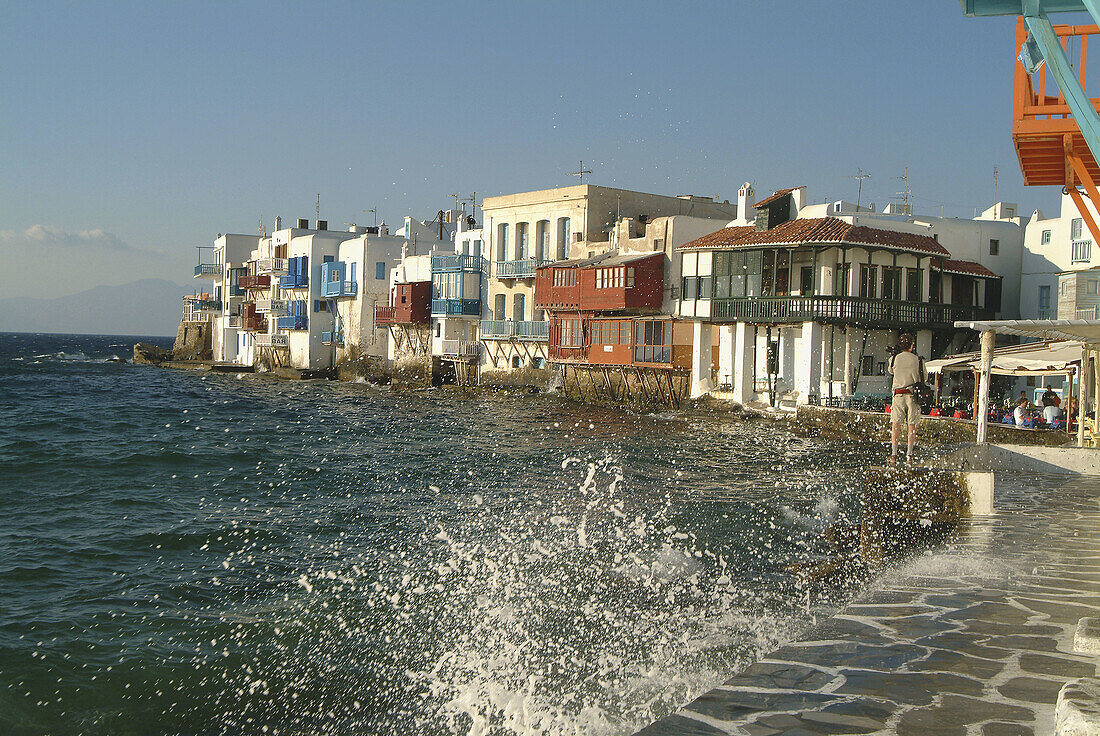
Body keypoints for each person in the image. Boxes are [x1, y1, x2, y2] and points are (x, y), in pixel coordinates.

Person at [888, 333, 926, 465]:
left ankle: (894, 454)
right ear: (911, 345)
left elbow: (891, 371)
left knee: (896, 425)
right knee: (911, 426)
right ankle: (909, 454)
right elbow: (923, 378)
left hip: (898, 395)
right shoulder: (918, 360)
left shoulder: (894, 359)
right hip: (912, 395)